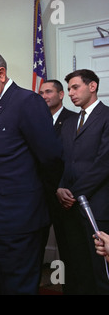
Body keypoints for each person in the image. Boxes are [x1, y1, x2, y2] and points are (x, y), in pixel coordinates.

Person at [0, 50, 62, 294]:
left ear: (1, 73)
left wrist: (38, 199)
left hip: (19, 221)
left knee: (18, 287)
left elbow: (51, 157)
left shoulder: (27, 102)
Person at [57, 69, 109, 294]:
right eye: (68, 89)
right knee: (78, 267)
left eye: (75, 87)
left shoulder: (106, 117)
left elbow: (104, 163)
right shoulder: (69, 122)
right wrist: (59, 188)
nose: (70, 93)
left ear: (92, 86)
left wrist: (73, 193)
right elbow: (61, 160)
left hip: (97, 206)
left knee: (100, 270)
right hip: (69, 207)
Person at [39, 79, 77, 294]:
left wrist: (61, 186)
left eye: (49, 92)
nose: (44, 96)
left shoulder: (73, 119)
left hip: (64, 192)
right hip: (41, 193)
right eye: (41, 92)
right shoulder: (37, 119)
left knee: (68, 246)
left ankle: (68, 286)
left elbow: (71, 158)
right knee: (37, 244)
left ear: (61, 95)